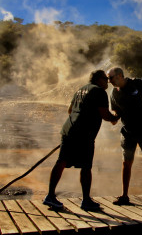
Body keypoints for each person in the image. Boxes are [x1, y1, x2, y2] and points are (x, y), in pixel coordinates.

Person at [43, 70, 119, 211]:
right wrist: (115, 117)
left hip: (68, 129)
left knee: (61, 161)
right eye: (105, 78)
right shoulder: (99, 92)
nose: (107, 81)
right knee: (86, 166)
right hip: (84, 134)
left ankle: (50, 196)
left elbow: (70, 110)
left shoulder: (81, 89)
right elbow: (105, 115)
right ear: (98, 79)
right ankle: (86, 200)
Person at [106, 67, 142, 207]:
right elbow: (116, 110)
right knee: (126, 162)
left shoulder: (136, 83)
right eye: (108, 79)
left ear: (120, 76)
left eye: (111, 78)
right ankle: (124, 196)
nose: (109, 81)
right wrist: (113, 117)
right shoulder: (113, 93)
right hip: (128, 131)